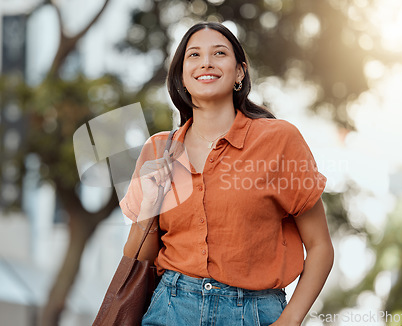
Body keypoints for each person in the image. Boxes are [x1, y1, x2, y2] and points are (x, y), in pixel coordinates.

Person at [121, 21, 334, 326]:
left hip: (254, 314)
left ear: (239, 72)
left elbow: (320, 246)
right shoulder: (158, 150)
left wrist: (290, 321)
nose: (206, 61)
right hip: (170, 310)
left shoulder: (279, 140)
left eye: (219, 53)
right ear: (182, 75)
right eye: (193, 55)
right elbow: (137, 259)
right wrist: (148, 208)